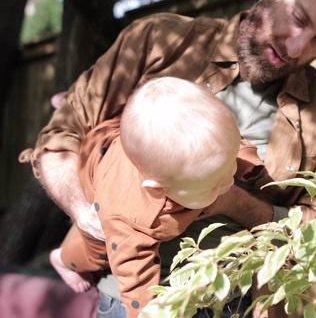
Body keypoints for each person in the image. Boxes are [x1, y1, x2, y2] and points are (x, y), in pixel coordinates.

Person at [20, 0, 316, 317]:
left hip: (243, 306)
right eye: (299, 18)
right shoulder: (159, 40)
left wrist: (230, 202)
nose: (296, 49)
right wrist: (92, 216)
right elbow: (60, 138)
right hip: (130, 299)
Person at [47, 77, 264, 317]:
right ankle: (63, 259)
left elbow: (228, 143)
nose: (229, 182)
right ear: (158, 189)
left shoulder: (205, 155)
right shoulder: (134, 219)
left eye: (230, 167)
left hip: (128, 140)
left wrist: (246, 162)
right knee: (100, 249)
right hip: (100, 168)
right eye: (214, 184)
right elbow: (135, 279)